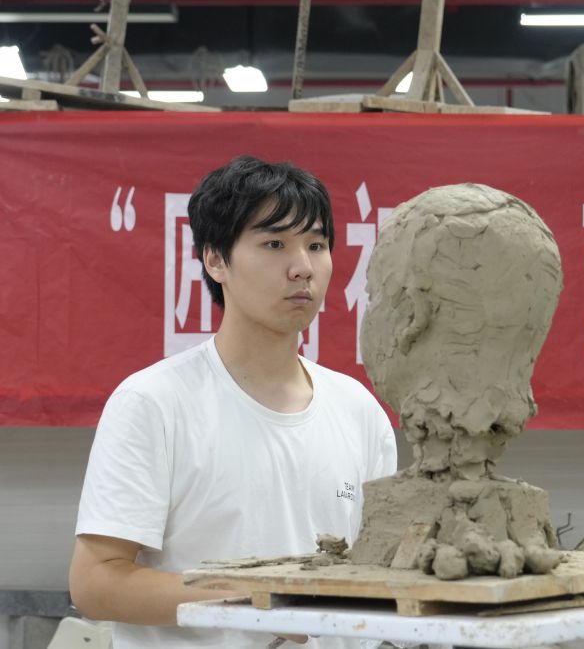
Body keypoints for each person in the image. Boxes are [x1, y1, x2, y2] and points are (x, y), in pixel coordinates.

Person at [69, 155, 398, 649]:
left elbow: (378, 577)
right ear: (215, 260)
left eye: (316, 245)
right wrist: (254, 602)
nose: (303, 268)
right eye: (274, 244)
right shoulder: (154, 403)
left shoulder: (360, 411)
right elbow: (96, 583)